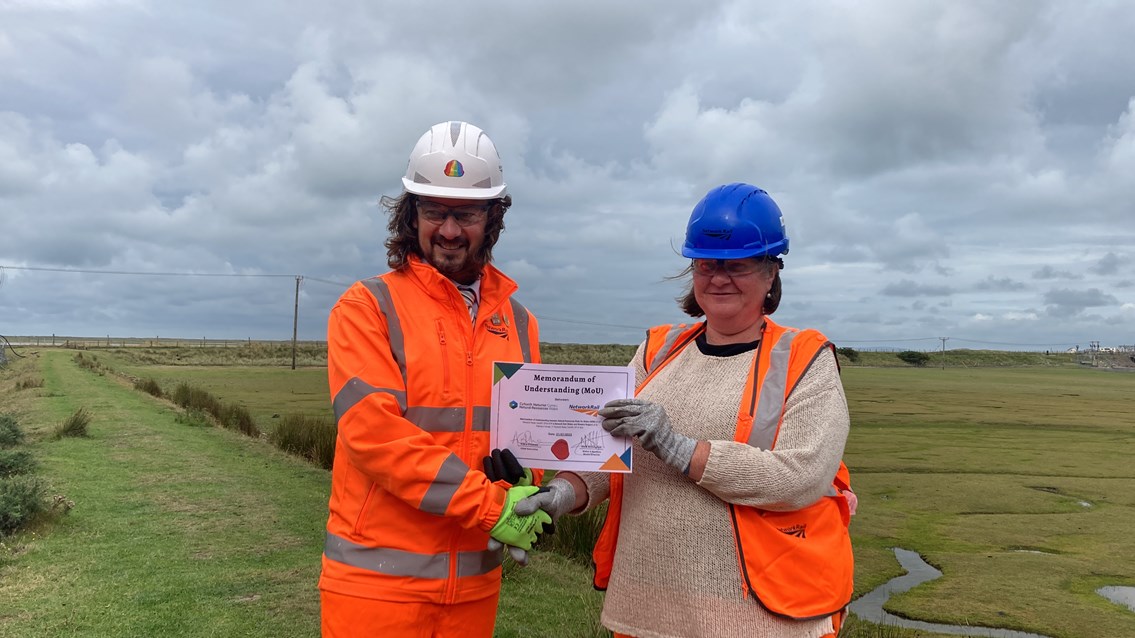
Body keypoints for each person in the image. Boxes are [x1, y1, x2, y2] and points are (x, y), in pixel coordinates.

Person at [518, 183, 855, 637]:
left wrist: (679, 449)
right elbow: (611, 449)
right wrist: (564, 492)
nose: (719, 278)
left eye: (736, 265)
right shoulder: (656, 351)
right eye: (706, 264)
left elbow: (801, 478)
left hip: (757, 613)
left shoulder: (804, 360)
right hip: (645, 606)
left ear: (771, 272)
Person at [320, 121, 551, 638]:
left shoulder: (520, 323)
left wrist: (525, 484)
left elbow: (530, 437)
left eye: (466, 213)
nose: (449, 229)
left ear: (492, 218)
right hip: (375, 588)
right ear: (411, 214)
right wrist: (491, 506)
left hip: (474, 588)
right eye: (433, 211)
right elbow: (374, 437)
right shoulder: (367, 307)